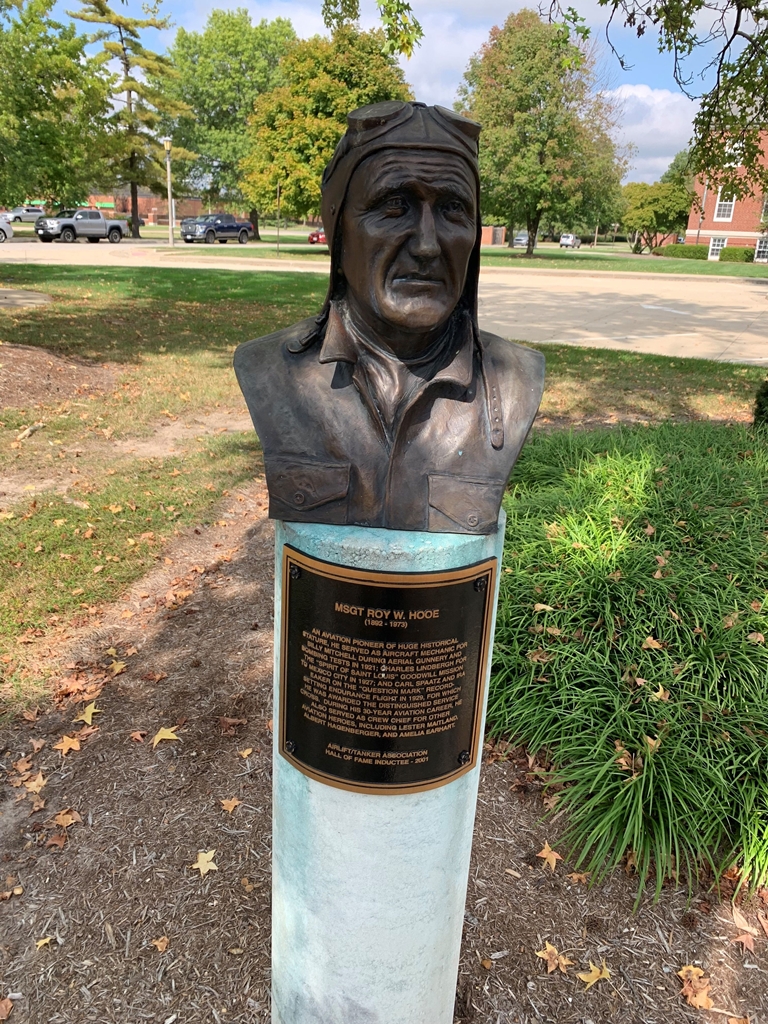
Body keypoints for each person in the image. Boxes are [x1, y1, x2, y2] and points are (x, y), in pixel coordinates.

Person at [234, 100, 545, 534]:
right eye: (394, 207)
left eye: (453, 209)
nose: (427, 245)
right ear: (339, 233)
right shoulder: (271, 371)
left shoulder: (515, 380)